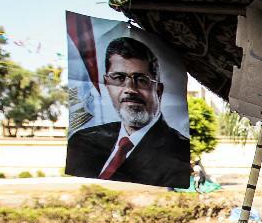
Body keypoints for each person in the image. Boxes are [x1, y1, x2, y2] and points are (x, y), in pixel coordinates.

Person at [65, 37, 190, 188]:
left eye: (141, 79)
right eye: (118, 78)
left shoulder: (178, 149)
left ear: (158, 90)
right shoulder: (82, 142)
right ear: (107, 85)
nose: (130, 89)